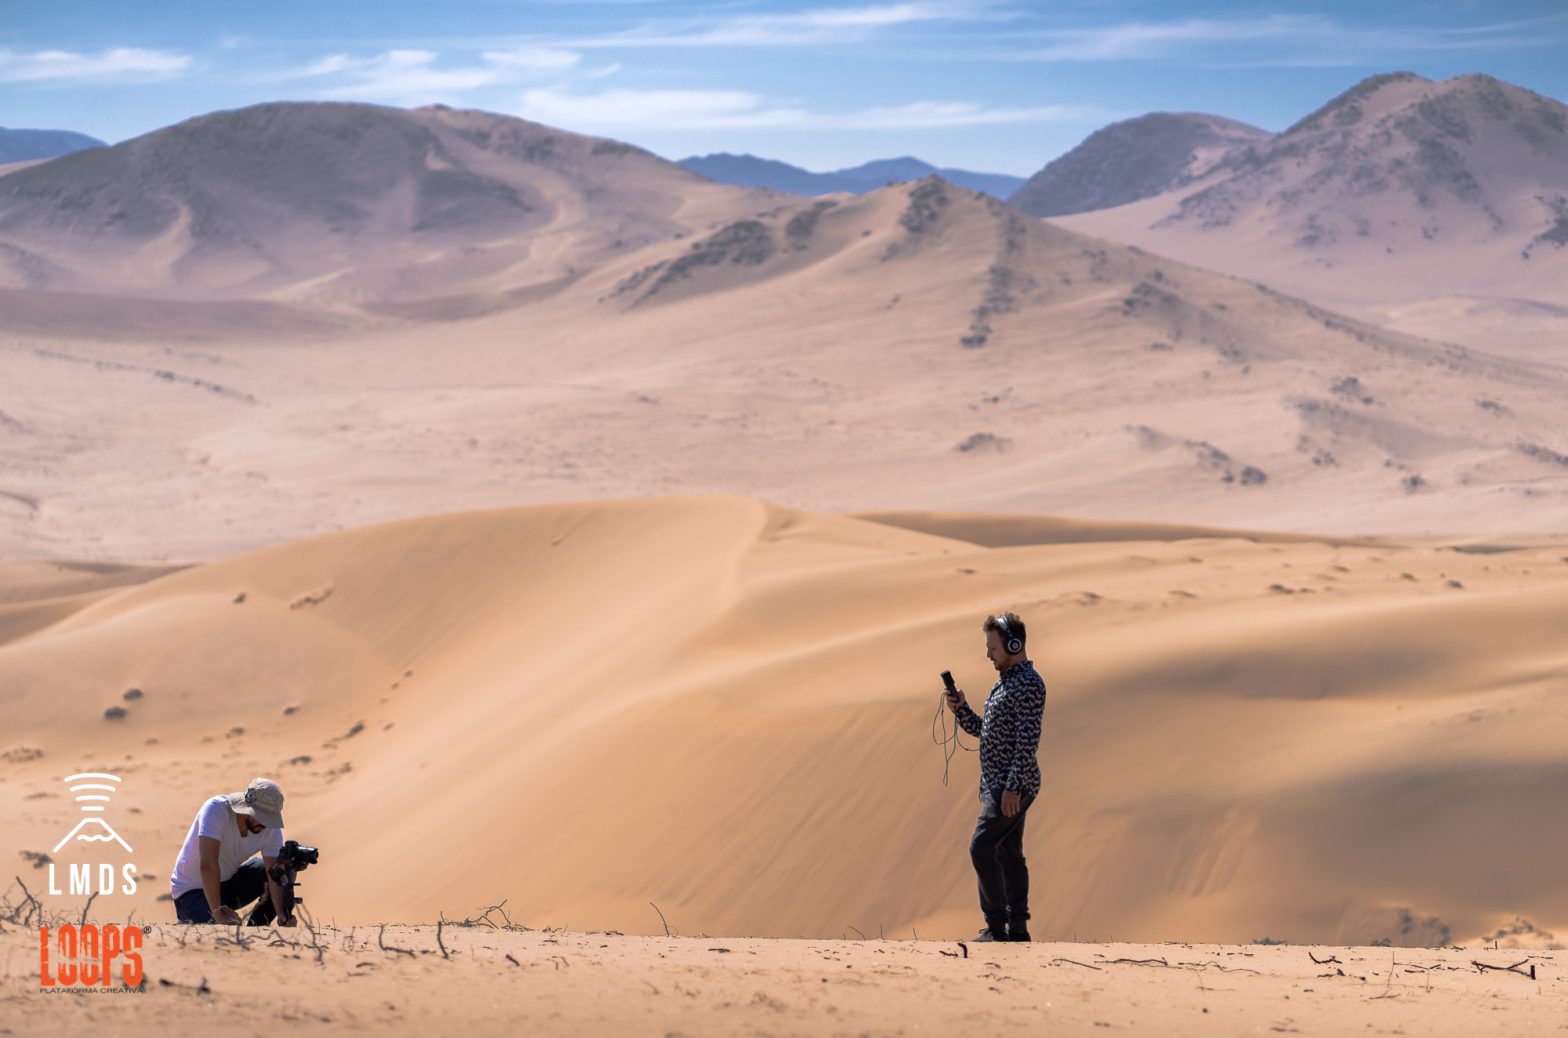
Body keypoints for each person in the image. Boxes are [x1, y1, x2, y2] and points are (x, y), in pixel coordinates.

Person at [944, 612, 1047, 943]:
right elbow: (985, 733)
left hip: (1010, 784)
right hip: (998, 783)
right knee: (1007, 852)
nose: (988, 654)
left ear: (1013, 644)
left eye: (992, 646)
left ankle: (997, 926)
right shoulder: (1005, 683)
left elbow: (1027, 741)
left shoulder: (1028, 684)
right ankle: (1017, 928)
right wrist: (961, 709)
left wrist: (1012, 787)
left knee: (982, 846)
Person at [169, 777, 291, 925]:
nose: (264, 823)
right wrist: (218, 913)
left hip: (226, 885)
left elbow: (274, 876)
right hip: (191, 892)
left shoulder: (271, 828)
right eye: (259, 816)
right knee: (222, 934)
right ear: (246, 807)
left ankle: (257, 929)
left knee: (282, 871)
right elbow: (208, 864)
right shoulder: (216, 809)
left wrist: (283, 916)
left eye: (269, 818)